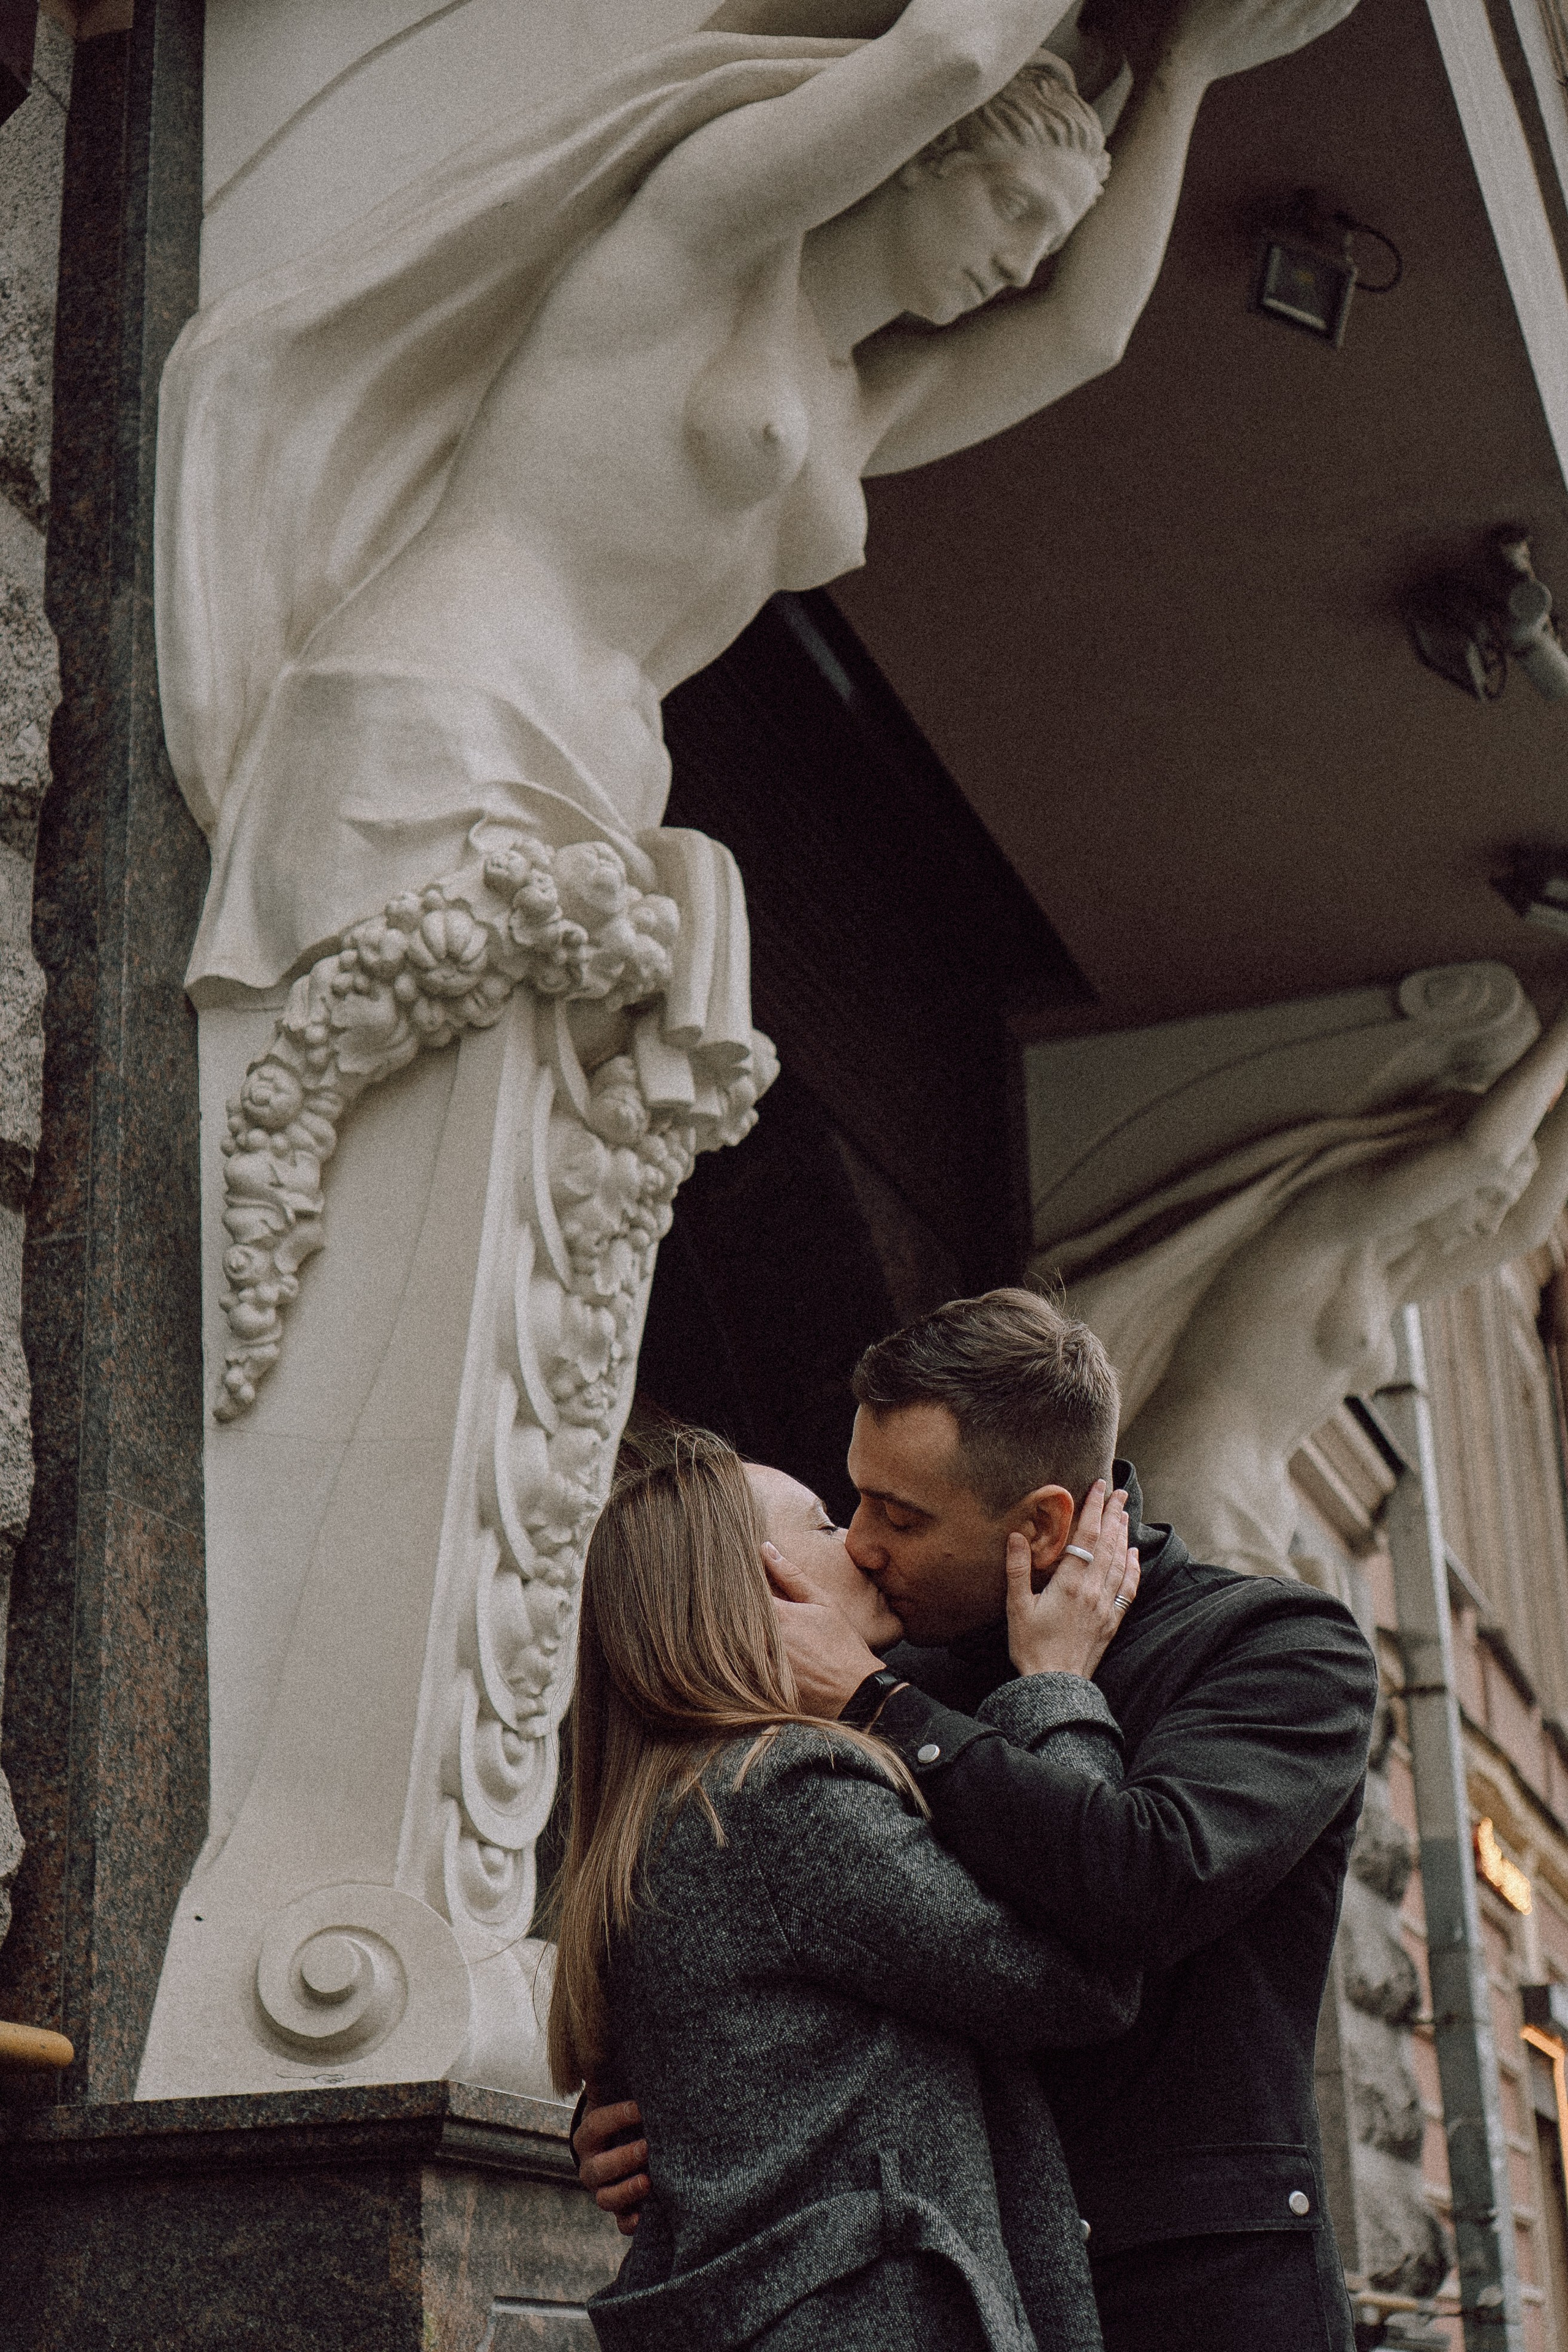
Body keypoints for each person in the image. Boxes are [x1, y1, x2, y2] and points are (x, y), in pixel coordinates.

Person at [578, 1290, 1379, 2352]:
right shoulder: (885, 1666)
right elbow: (773, 1922)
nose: (864, 1545)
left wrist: (901, 1704)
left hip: (1190, 2293)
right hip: (977, 2284)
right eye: (855, 1500)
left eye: (900, 1516)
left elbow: (1141, 1882)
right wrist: (647, 2104)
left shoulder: (1274, 1650)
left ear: (1041, 1524)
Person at [552, 1427, 1145, 2350]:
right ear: (751, 1591)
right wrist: (1058, 1685)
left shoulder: (675, 1807)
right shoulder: (782, 1795)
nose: (863, 1546)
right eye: (827, 1524)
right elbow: (1078, 1976)